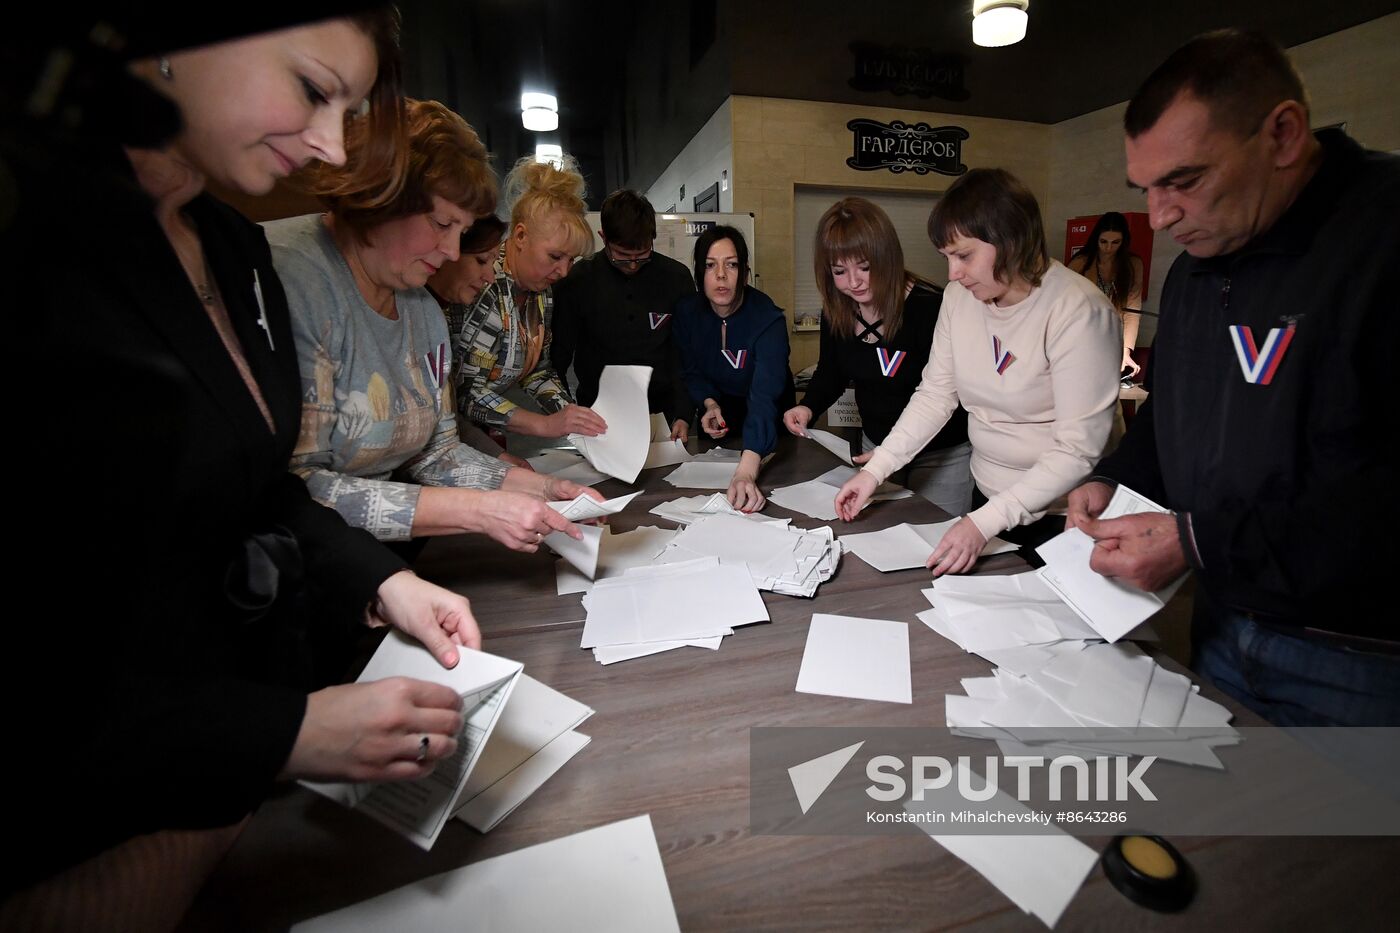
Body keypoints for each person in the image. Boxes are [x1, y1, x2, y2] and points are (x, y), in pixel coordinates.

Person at [4, 11, 485, 928]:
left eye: (348, 109)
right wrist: (284, 735)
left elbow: (264, 488)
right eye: (312, 89)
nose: (332, 142)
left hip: (246, 745)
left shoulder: (234, 247)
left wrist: (384, 585)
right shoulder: (38, 227)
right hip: (104, 814)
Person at [1066, 29, 1400, 726]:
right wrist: (1113, 473)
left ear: (1281, 134)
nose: (1159, 216)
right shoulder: (1194, 270)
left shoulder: (1382, 236)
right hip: (1218, 625)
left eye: (1184, 181)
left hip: (1358, 657)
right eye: (1147, 189)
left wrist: (1197, 541)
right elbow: (1171, 417)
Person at [268, 99, 596, 549]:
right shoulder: (294, 278)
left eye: (459, 233)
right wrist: (479, 509)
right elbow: (296, 486)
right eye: (442, 224)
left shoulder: (421, 307)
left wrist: (541, 491)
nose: (450, 252)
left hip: (386, 552)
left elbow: (437, 452)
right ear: (381, 196)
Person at [835, 169, 1120, 575]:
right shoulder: (959, 298)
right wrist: (877, 470)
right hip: (988, 500)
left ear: (1011, 241)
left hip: (1064, 515)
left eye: (964, 256)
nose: (952, 273)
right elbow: (936, 393)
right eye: (946, 257)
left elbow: (1076, 450)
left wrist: (982, 524)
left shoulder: (1078, 311)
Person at [786, 197, 973, 517]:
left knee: (940, 541)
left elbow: (944, 393)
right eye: (840, 271)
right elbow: (831, 371)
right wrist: (808, 405)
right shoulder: (836, 312)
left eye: (865, 267)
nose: (853, 282)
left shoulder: (930, 307)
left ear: (887, 258)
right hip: (876, 448)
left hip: (942, 455)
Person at [452, 155, 606, 442]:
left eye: (571, 260)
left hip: (485, 434)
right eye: (555, 257)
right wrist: (542, 425)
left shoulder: (539, 293)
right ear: (520, 236)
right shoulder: (486, 285)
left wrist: (575, 417)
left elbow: (537, 371)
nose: (563, 272)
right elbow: (467, 392)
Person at [551, 189, 696, 441]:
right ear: (603, 237)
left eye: (641, 257)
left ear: (653, 238)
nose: (632, 265)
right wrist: (566, 410)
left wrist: (684, 413)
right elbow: (558, 357)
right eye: (621, 257)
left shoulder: (677, 278)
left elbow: (685, 354)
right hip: (597, 414)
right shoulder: (577, 280)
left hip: (664, 413)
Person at [673, 225, 795, 511]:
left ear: (746, 272)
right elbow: (691, 370)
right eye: (710, 265)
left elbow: (764, 398)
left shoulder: (768, 319)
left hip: (767, 421)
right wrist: (710, 404)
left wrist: (746, 471)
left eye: (731, 265)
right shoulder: (687, 314)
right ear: (698, 272)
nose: (721, 276)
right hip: (720, 420)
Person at [1067, 211, 1145, 380]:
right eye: (1104, 241)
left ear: (1123, 242)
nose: (1108, 248)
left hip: (1113, 333)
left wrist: (1126, 350)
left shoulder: (1133, 264)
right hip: (1082, 332)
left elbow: (1132, 309)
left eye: (1115, 242)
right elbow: (1066, 305)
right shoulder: (1080, 263)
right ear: (1096, 238)